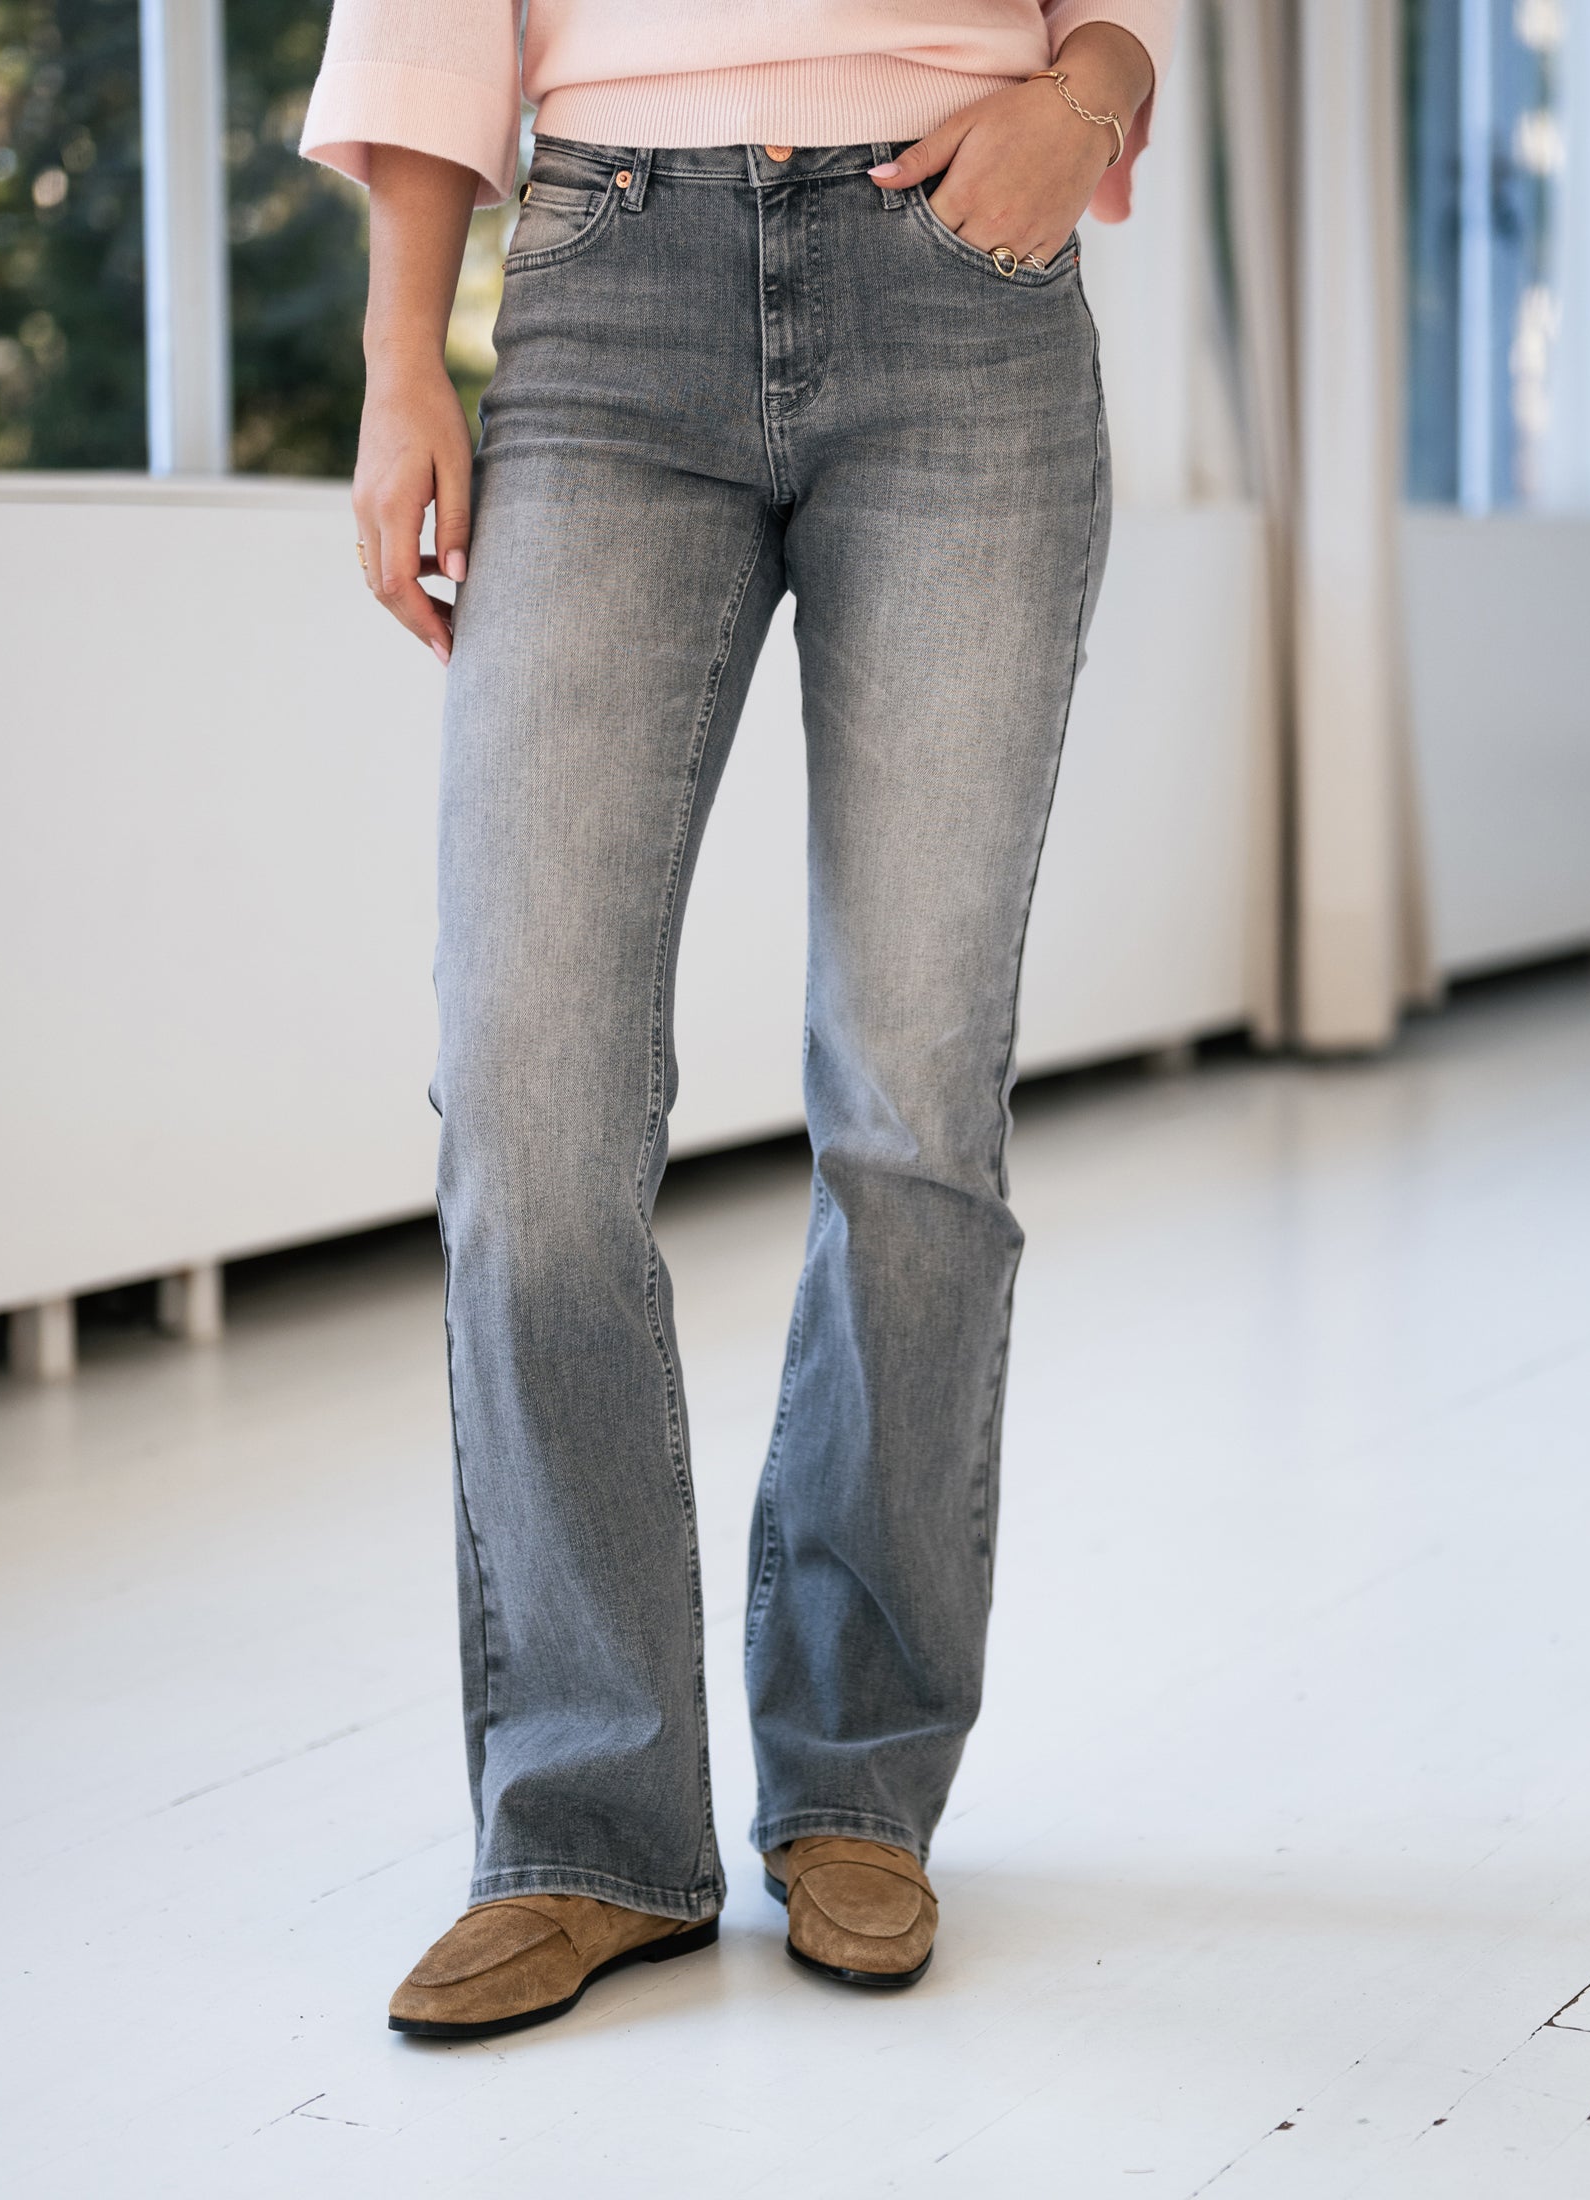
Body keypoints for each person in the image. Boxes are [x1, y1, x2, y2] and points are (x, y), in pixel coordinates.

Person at [301, 0, 1174, 2040]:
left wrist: (1086, 100)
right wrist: (395, 353)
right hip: (609, 283)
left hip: (969, 273)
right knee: (528, 1088)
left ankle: (857, 1782)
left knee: (914, 1097)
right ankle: (588, 1819)